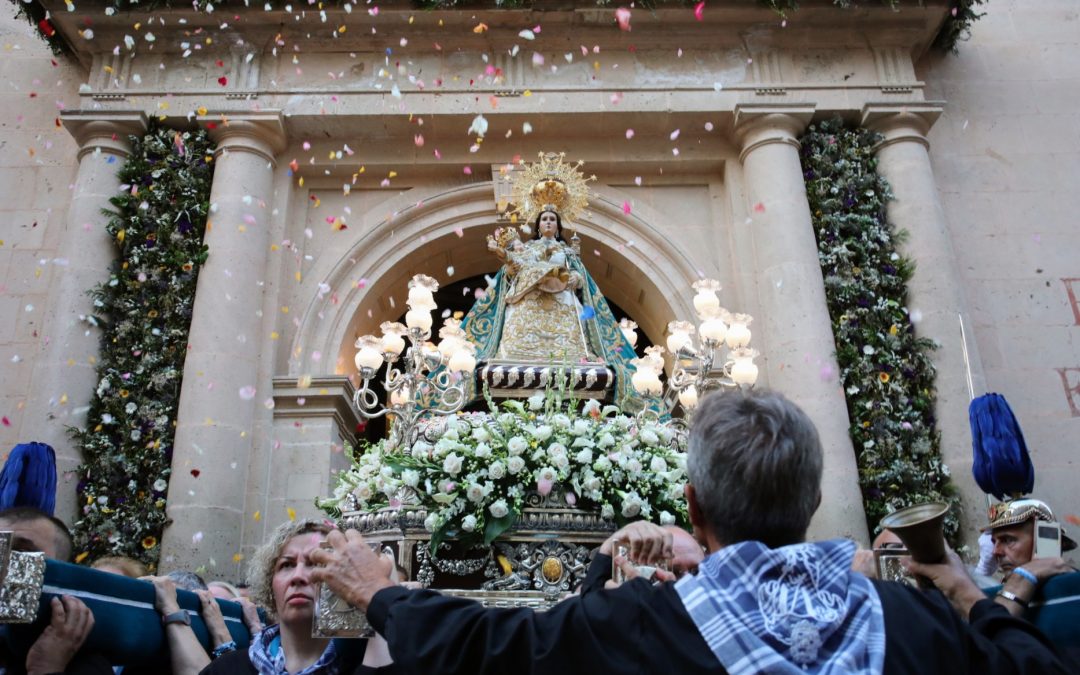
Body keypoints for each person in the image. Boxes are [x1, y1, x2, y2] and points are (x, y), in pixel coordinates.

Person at [310, 389, 1071, 674]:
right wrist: (965, 591)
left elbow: (487, 648)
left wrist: (381, 591)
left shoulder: (637, 625)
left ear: (692, 505)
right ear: (810, 499)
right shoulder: (915, 622)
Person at [0, 507, 108, 675]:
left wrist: (45, 669)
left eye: (21, 552)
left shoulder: (87, 665)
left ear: (62, 572)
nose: (5, 564)